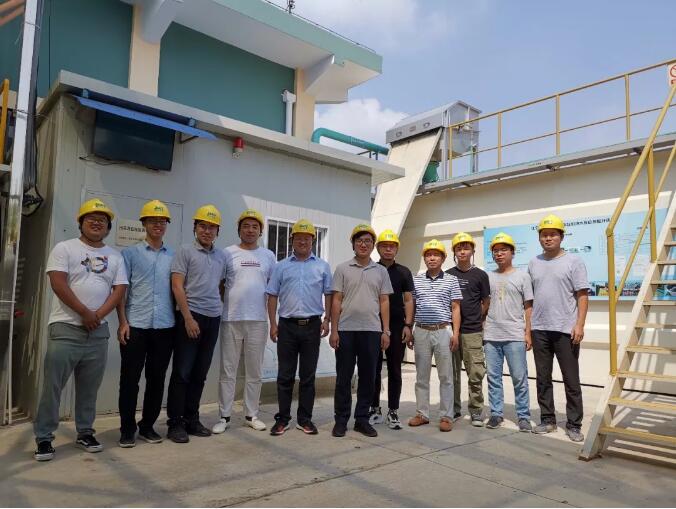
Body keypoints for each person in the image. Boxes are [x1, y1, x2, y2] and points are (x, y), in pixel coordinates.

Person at [33, 199, 128, 461]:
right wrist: (85, 313)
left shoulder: (115, 256)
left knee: (89, 388)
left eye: (102, 220)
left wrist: (97, 316)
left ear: (108, 227)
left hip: (98, 332)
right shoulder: (65, 248)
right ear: (81, 222)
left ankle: (85, 432)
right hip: (65, 328)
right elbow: (58, 283)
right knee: (53, 387)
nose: (97, 222)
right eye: (91, 218)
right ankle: (44, 437)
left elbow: (119, 290)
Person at [116, 200, 175, 448]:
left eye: (162, 221)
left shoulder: (173, 256)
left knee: (157, 379)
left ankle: (148, 426)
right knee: (130, 379)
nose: (158, 225)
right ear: (144, 224)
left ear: (166, 225)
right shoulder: (129, 254)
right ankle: (127, 429)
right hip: (135, 326)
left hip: (164, 327)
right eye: (153, 221)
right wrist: (122, 322)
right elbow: (121, 292)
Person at [166, 204, 227, 443]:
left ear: (217, 231)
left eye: (212, 227)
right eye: (203, 226)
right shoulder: (185, 251)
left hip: (213, 318)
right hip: (191, 317)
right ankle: (175, 423)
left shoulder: (221, 256)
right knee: (182, 372)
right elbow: (177, 285)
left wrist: (217, 308)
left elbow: (221, 285)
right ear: (195, 228)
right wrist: (188, 317)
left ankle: (192, 419)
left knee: (200, 373)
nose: (207, 231)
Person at [266, 219, 333, 435]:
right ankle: (283, 419)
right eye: (299, 238)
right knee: (285, 375)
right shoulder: (281, 266)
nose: (303, 241)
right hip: (287, 326)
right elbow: (272, 295)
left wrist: (327, 320)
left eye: (307, 238)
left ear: (312, 240)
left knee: (308, 376)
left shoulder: (322, 266)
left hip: (312, 326)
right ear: (292, 240)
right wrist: (273, 324)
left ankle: (305, 419)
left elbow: (329, 294)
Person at [213, 209, 276, 433]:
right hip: (231, 319)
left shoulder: (268, 256)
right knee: (228, 371)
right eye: (246, 226)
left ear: (260, 231)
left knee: (254, 371)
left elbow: (272, 290)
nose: (250, 230)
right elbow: (220, 285)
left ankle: (251, 414)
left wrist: (273, 322)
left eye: (254, 227)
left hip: (257, 320)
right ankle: (224, 416)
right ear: (239, 229)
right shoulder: (227, 253)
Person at [528, 214, 589, 442]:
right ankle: (548, 419)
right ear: (539, 238)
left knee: (571, 380)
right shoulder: (534, 263)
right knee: (543, 378)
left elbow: (582, 295)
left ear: (561, 236)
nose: (548, 238)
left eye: (553, 234)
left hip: (566, 330)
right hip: (540, 329)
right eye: (544, 235)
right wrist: (528, 329)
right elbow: (529, 300)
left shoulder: (574, 261)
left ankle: (574, 424)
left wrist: (579, 324)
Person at [330, 224, 393, 438]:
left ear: (373, 245)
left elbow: (384, 301)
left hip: (372, 331)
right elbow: (336, 300)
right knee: (343, 378)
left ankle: (362, 420)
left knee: (368, 378)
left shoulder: (381, 271)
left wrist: (386, 331)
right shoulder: (342, 269)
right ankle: (341, 420)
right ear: (353, 244)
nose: (363, 244)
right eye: (359, 241)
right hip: (346, 330)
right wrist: (334, 330)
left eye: (367, 241)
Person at [408, 239, 462, 432]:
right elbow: (412, 306)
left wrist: (455, 334)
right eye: (428, 255)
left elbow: (455, 308)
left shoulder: (451, 280)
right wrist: (410, 329)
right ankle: (422, 414)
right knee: (421, 376)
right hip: (421, 330)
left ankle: (446, 416)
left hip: (443, 330)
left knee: (446, 376)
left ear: (443, 258)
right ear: (424, 258)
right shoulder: (416, 280)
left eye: (436, 254)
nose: (432, 258)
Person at [483, 232, 533, 432]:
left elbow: (528, 306)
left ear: (512, 252)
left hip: (514, 335)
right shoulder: (488, 277)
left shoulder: (523, 276)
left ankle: (523, 416)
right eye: (496, 251)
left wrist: (528, 332)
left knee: (519, 378)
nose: (499, 253)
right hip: (491, 335)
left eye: (503, 250)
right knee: (493, 378)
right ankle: (496, 413)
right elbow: (484, 304)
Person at [368, 229, 414, 430]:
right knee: (374, 369)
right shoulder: (371, 269)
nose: (388, 249)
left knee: (395, 369)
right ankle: (374, 408)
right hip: (373, 326)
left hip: (397, 327)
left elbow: (409, 300)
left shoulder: (404, 272)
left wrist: (408, 325)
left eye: (392, 246)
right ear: (378, 248)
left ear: (397, 249)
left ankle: (393, 411)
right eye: (384, 246)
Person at [446, 232, 490, 426]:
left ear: (473, 250)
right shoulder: (448, 275)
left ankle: (476, 410)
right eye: (459, 248)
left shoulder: (480, 275)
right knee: (452, 373)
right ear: (454, 252)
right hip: (450, 332)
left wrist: (477, 317)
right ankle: (454, 409)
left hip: (472, 331)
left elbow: (486, 301)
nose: (462, 251)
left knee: (475, 373)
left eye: (466, 247)